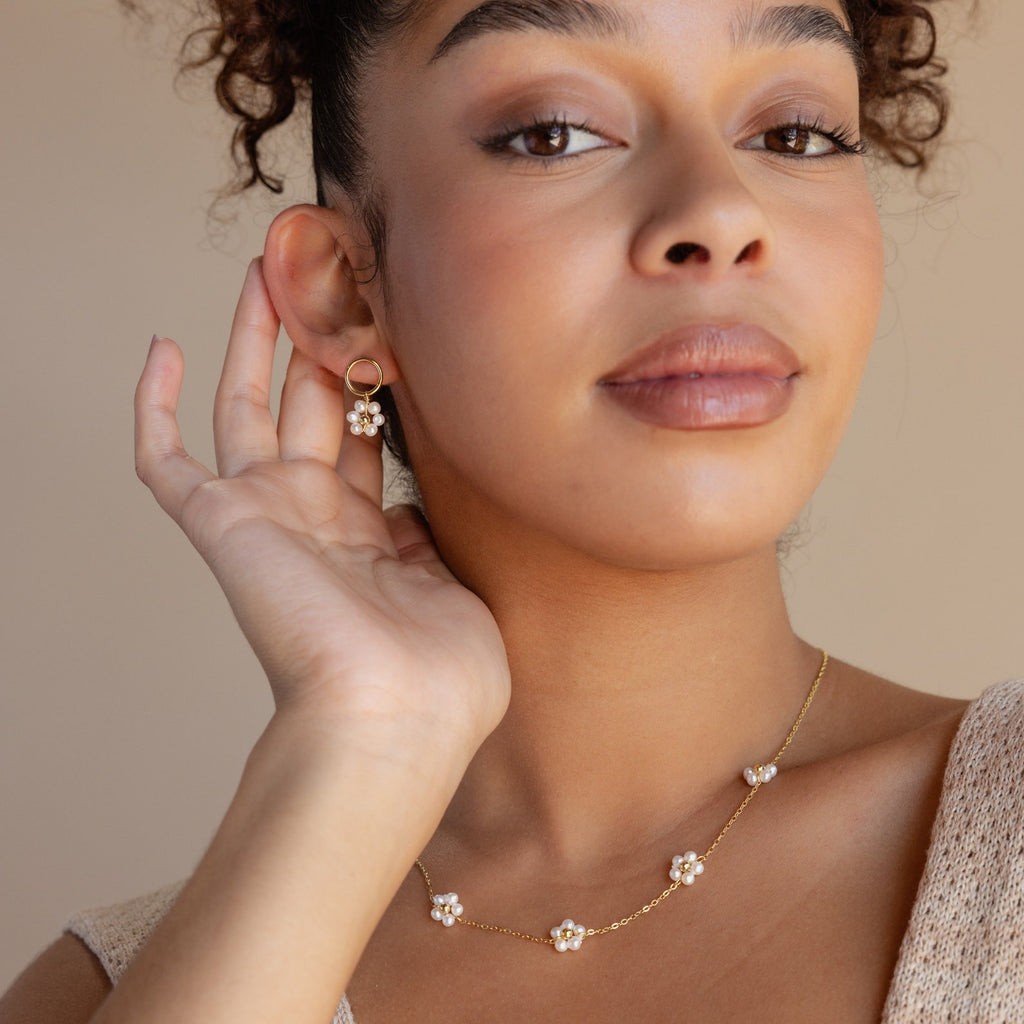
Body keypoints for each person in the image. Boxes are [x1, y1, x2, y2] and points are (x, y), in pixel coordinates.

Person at [1, 0, 1021, 1021]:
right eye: (554, 133)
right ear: (346, 295)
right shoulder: (106, 993)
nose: (720, 212)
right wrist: (366, 732)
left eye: (793, 134)